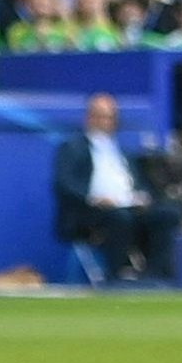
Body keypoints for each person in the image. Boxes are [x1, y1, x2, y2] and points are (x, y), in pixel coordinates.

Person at [55, 92, 175, 282]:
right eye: (101, 116)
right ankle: (117, 274)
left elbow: (139, 182)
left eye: (110, 117)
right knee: (120, 218)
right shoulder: (72, 148)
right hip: (93, 211)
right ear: (89, 118)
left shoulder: (123, 152)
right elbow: (64, 183)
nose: (105, 122)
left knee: (165, 215)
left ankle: (157, 275)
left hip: (129, 207)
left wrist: (143, 197)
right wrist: (93, 199)